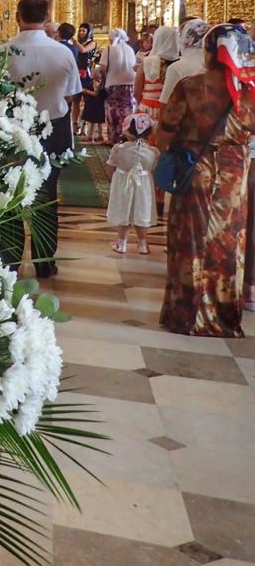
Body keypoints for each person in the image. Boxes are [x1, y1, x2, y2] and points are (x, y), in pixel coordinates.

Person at [154, 24, 255, 337]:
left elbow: (164, 134)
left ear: (209, 51)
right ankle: (223, 316)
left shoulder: (191, 86)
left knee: (190, 240)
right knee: (227, 243)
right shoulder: (250, 92)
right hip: (235, 178)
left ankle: (186, 315)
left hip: (195, 172)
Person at [1, 0, 81, 278]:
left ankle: (9, 262)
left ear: (17, 17)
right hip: (54, 128)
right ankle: (44, 263)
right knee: (46, 195)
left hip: (12, 130)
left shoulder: (2, 53)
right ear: (47, 18)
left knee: (10, 192)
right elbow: (71, 95)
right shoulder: (63, 52)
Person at [105, 112, 158, 254]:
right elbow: (154, 170)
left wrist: (113, 178)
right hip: (144, 186)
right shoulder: (153, 151)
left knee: (124, 213)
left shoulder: (119, 149)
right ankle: (143, 244)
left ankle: (121, 244)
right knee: (141, 212)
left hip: (123, 185)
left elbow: (110, 167)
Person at [160, 18, 210, 105]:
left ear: (185, 38)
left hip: (185, 112)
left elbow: (165, 101)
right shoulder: (215, 64)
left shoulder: (176, 68)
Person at [101, 28, 137, 144]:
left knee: (112, 113)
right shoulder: (130, 49)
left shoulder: (109, 49)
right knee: (126, 111)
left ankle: (113, 138)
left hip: (113, 84)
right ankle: (126, 137)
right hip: (130, 84)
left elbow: (103, 68)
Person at [136, 25, 178, 119]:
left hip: (148, 109)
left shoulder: (147, 62)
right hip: (172, 111)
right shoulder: (179, 64)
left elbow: (136, 92)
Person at [73, 23, 98, 135]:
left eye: (84, 31)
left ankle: (85, 125)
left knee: (88, 101)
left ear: (89, 32)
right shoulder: (77, 43)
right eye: (80, 30)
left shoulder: (92, 43)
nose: (81, 33)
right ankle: (74, 124)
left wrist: (74, 42)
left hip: (86, 73)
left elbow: (83, 50)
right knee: (76, 100)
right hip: (77, 71)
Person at [81, 62, 107, 144]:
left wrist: (86, 91)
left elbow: (96, 93)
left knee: (92, 121)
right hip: (99, 104)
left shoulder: (95, 82)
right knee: (99, 121)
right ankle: (100, 135)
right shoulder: (102, 82)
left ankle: (90, 136)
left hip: (94, 104)